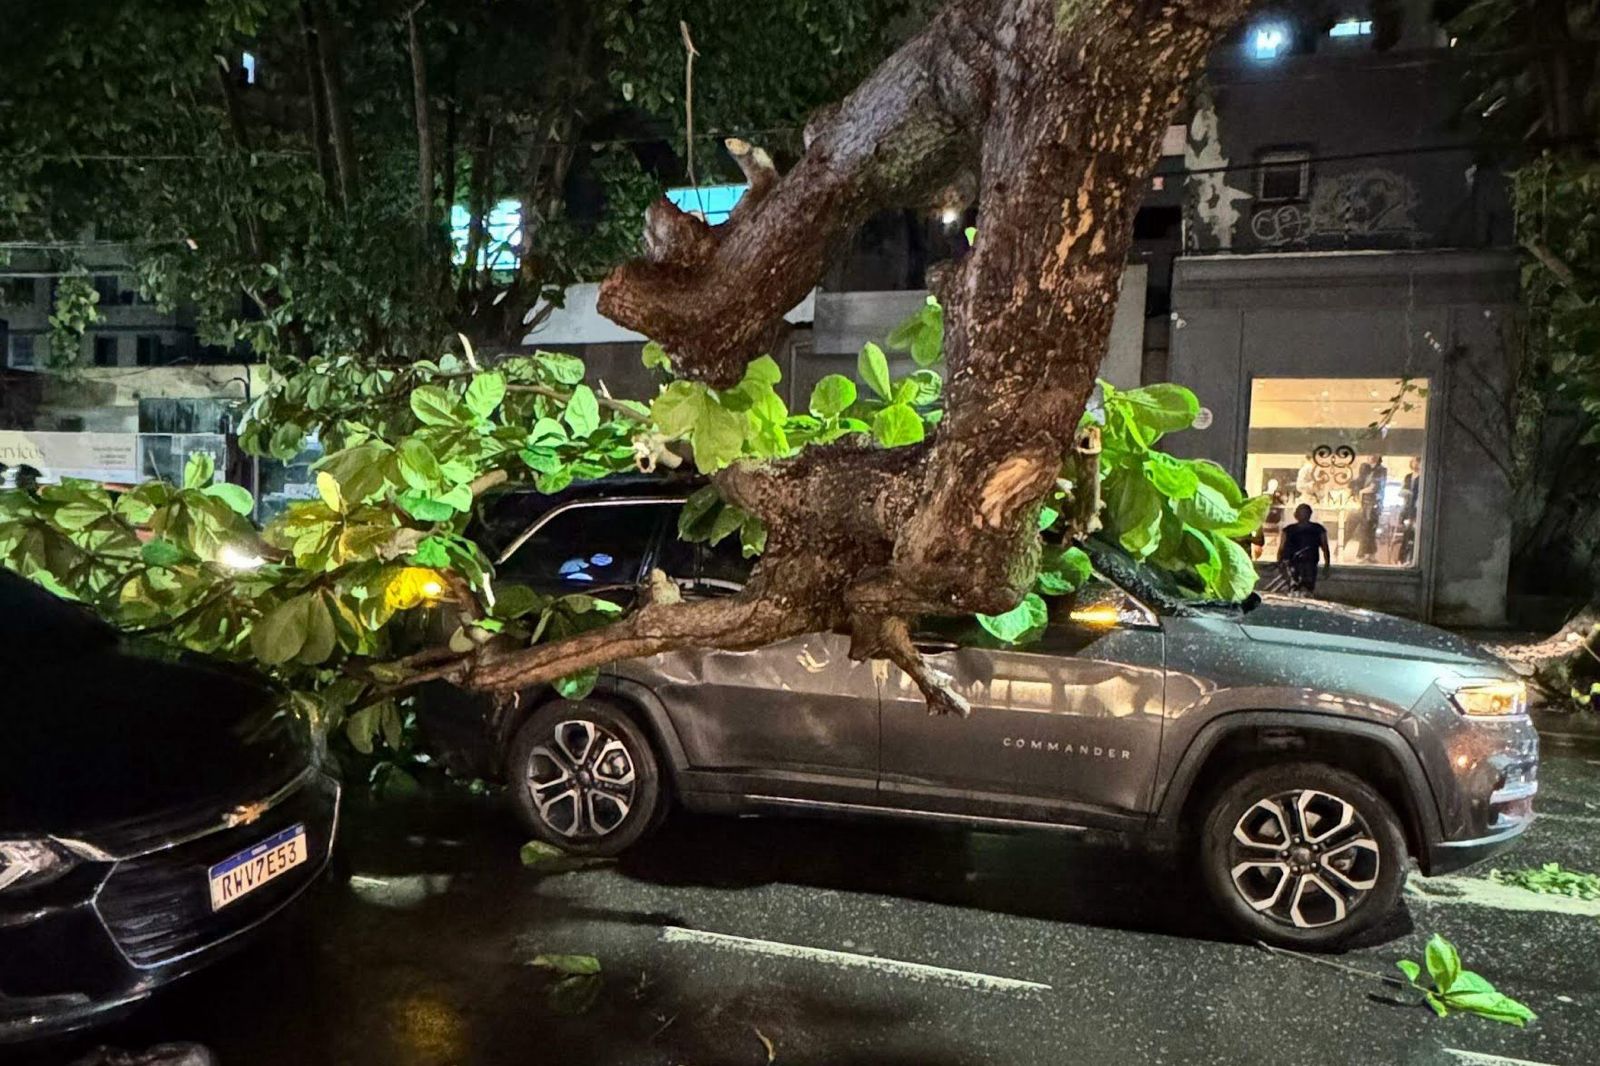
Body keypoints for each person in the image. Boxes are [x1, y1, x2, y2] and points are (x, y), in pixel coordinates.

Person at [1277, 503, 1331, 594]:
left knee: (1301, 588)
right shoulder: (1317, 529)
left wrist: (1327, 565)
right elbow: (1281, 548)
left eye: (1304, 513)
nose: (1303, 516)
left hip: (1307, 564)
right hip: (1295, 564)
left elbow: (1325, 548)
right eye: (1302, 513)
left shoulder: (1289, 530)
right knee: (1298, 588)